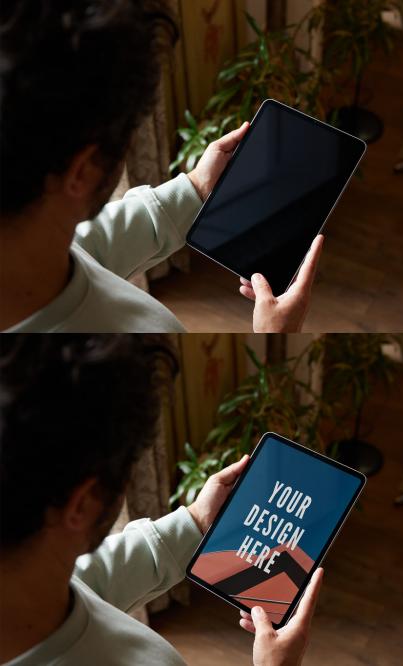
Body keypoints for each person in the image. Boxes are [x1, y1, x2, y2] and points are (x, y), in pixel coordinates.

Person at [0, 1, 324, 334]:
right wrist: (275, 333)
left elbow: (89, 249)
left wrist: (197, 187)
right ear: (81, 172)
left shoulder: (33, 250)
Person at [0, 334, 323, 666]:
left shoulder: (36, 583)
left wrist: (196, 520)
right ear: (81, 505)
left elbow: (89, 579)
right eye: (127, 467)